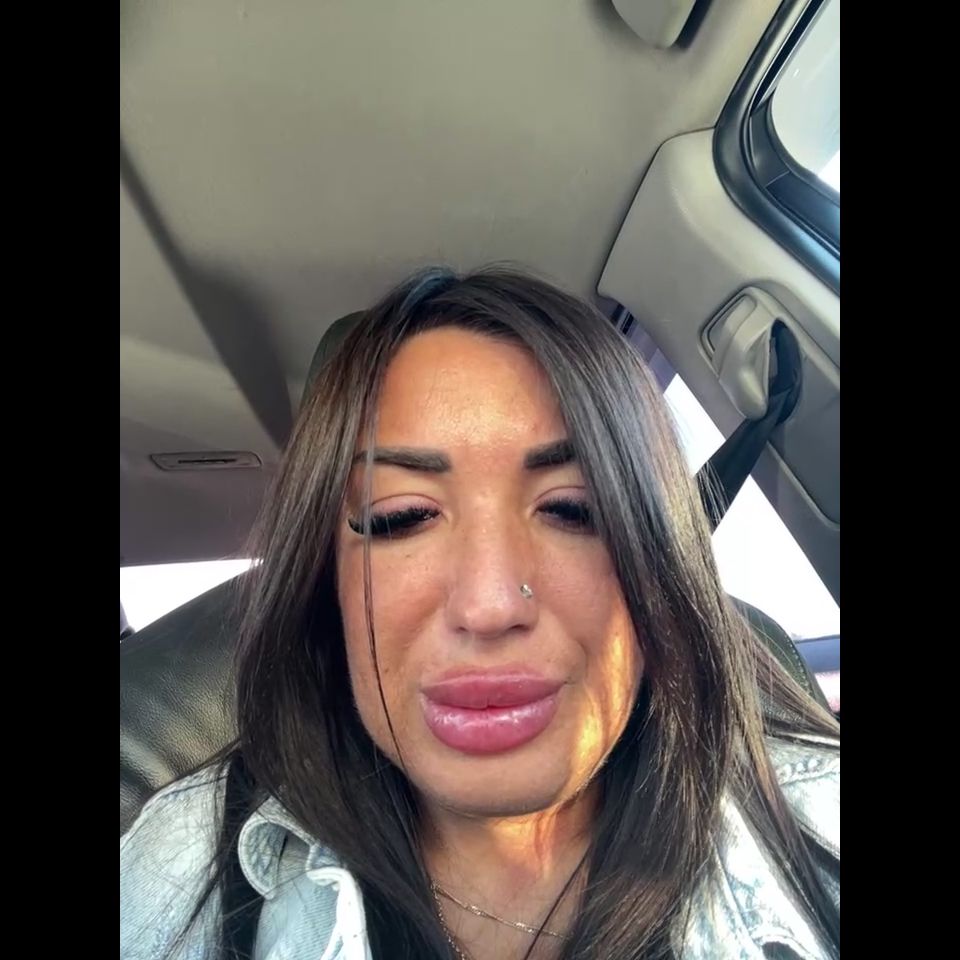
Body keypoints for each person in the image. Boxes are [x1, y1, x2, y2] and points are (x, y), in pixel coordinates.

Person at [120, 266, 839, 960]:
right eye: (401, 516)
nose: (490, 606)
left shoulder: (819, 826)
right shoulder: (180, 870)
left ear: (659, 561)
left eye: (573, 508)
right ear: (325, 583)